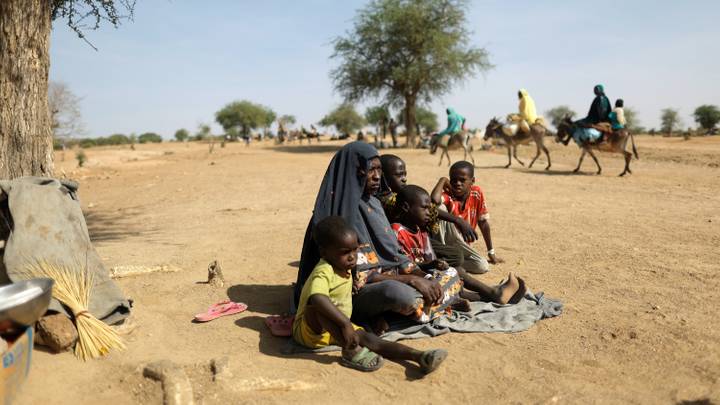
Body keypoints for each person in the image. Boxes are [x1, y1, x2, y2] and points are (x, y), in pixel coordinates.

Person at [295, 142, 446, 330]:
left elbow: (395, 254)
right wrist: (412, 280)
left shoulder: (373, 204)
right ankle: (374, 314)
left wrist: (422, 275)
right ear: (354, 171)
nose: (377, 177)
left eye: (379, 170)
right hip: (353, 290)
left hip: (390, 276)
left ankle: (395, 311)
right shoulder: (334, 213)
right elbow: (359, 275)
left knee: (445, 277)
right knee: (401, 295)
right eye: (370, 170)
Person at [293, 215, 448, 373]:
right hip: (310, 332)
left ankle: (419, 356)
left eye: (355, 249)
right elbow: (317, 298)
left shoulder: (344, 265)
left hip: (337, 329)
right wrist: (345, 324)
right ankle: (350, 351)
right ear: (324, 253)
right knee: (317, 307)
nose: (353, 256)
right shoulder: (324, 270)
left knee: (370, 339)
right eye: (345, 252)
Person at [393, 185, 524, 304]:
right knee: (452, 274)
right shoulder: (397, 232)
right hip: (411, 280)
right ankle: (492, 294)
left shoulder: (421, 231)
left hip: (424, 274)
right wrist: (431, 265)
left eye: (429, 208)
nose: (429, 213)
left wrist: (435, 264)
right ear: (406, 207)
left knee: (457, 270)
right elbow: (403, 268)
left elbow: (429, 259)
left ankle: (491, 295)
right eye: (424, 208)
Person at [378, 154, 480, 268]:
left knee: (456, 258)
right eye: (399, 175)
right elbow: (431, 207)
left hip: (417, 237)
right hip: (407, 241)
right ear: (383, 176)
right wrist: (458, 220)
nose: (404, 178)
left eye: (404, 174)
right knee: (455, 257)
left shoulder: (396, 193)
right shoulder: (387, 199)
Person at [432, 161, 503, 274]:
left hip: (461, 245)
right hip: (444, 242)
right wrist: (443, 180)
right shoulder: (448, 196)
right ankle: (441, 256)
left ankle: (445, 263)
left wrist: (491, 251)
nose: (457, 183)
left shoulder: (476, 193)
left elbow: (483, 223)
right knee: (440, 208)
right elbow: (434, 200)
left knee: (482, 265)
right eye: (453, 180)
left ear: (472, 181)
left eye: (462, 180)